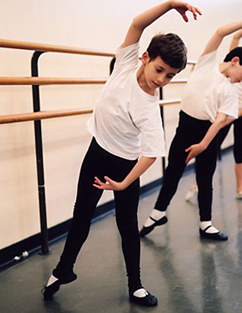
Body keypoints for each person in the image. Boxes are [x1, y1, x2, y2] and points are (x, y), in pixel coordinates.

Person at [42, 1, 201, 307]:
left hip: (125, 164)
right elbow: (138, 24)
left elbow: (151, 155)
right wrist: (169, 4)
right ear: (144, 57)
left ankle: (136, 286)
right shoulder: (127, 62)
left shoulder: (149, 109)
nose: (161, 79)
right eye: (159, 69)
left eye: (169, 76)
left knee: (127, 226)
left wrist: (123, 183)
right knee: (82, 215)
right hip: (96, 152)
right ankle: (63, 269)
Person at [140, 21, 242, 241]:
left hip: (207, 135)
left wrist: (203, 145)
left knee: (205, 178)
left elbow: (219, 121)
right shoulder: (206, 64)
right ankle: (158, 213)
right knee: (173, 172)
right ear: (235, 61)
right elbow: (219, 31)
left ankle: (206, 224)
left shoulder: (231, 90)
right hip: (184, 127)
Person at [185, 30, 242, 202]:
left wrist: (231, 118)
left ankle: (240, 188)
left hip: (237, 113)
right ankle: (197, 184)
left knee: (240, 151)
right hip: (224, 112)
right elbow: (235, 37)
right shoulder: (236, 63)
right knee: (211, 148)